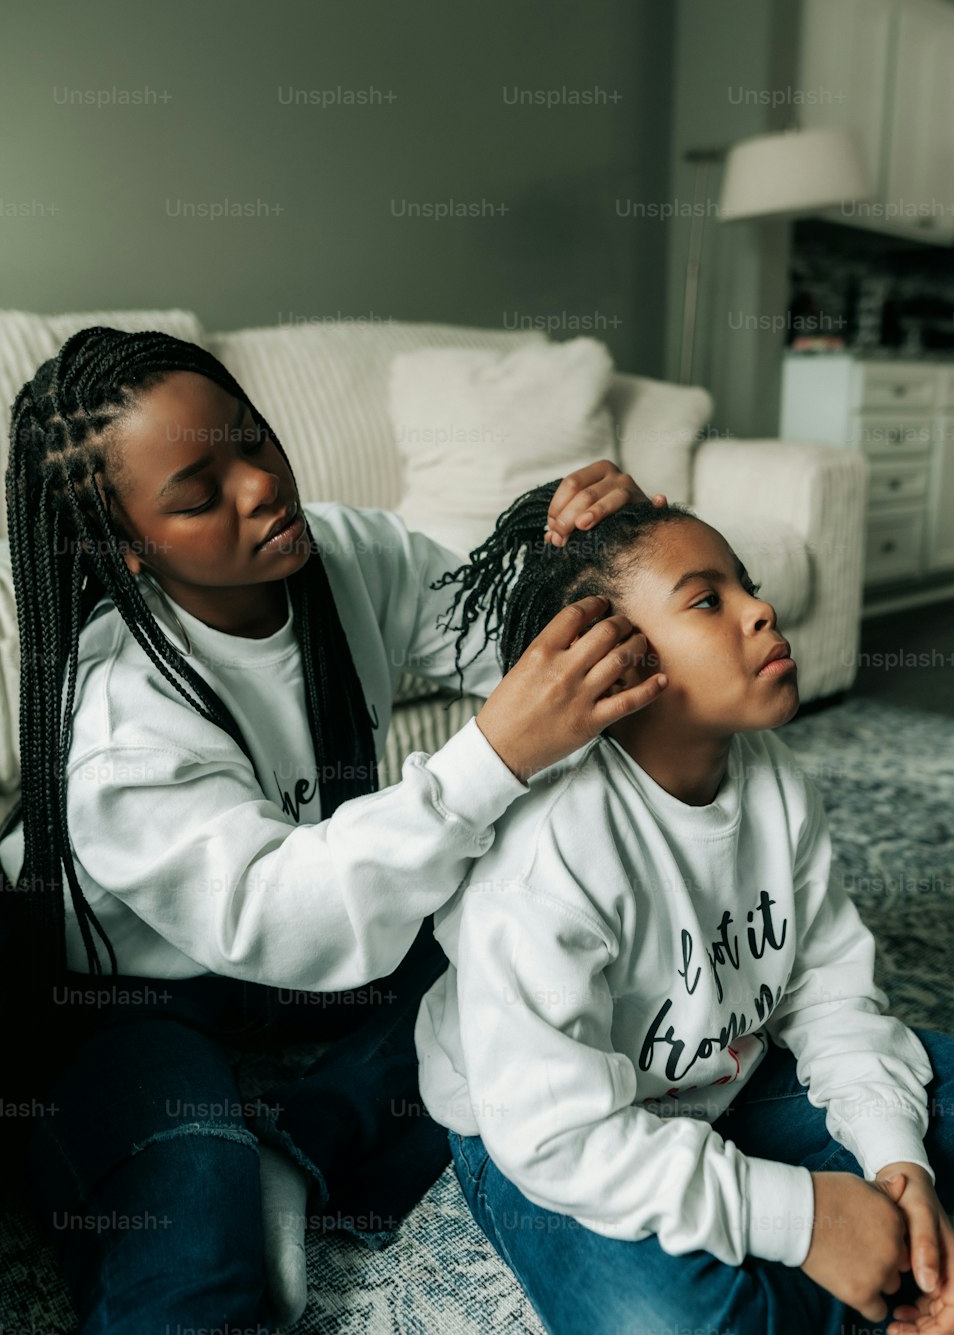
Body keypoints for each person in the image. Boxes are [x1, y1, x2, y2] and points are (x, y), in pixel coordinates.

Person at [0, 326, 670, 1334]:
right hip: (128, 985)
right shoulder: (116, 720)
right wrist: (486, 761)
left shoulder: (354, 551)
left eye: (256, 443)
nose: (262, 487)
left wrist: (608, 560)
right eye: (199, 491)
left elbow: (520, 653)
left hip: (310, 965)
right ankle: (231, 1161)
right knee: (192, 1241)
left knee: (558, 960)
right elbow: (289, 918)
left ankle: (297, 1156)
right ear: (127, 542)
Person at [415, 479, 954, 1335]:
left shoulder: (775, 780)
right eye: (708, 601)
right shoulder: (549, 849)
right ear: (614, 662)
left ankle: (882, 1243)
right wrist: (803, 1216)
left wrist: (895, 1159)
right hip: (556, 1139)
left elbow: (829, 993)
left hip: (719, 1087)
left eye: (748, 583)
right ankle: (924, 1266)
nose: (761, 609)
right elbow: (558, 1135)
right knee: (670, 1321)